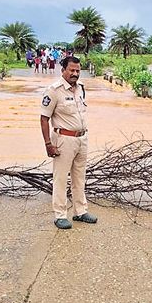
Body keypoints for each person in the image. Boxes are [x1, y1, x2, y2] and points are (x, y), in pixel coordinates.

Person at [39, 56, 97, 229]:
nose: (75, 73)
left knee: (79, 177)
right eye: (71, 70)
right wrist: (48, 144)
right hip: (63, 140)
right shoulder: (53, 91)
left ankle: (80, 211)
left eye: (78, 70)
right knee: (61, 178)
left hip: (82, 139)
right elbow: (44, 119)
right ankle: (60, 215)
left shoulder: (81, 89)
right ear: (62, 70)